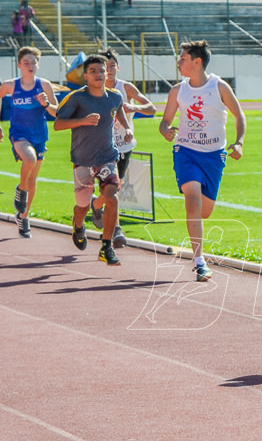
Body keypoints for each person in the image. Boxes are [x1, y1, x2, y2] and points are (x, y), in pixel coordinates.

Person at [158, 40, 247, 282]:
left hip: (214, 155)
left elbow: (239, 115)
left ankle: (198, 248)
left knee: (204, 212)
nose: (178, 62)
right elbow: (165, 120)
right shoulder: (178, 91)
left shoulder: (219, 87)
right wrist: (165, 130)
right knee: (192, 200)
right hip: (186, 151)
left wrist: (238, 142)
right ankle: (200, 261)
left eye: (183, 58)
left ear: (197, 62)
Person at [54, 54, 132, 265]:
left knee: (112, 196)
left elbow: (118, 111)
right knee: (82, 205)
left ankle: (106, 247)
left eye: (102, 70)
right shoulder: (77, 98)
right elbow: (58, 124)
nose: (98, 74)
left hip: (107, 157)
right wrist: (82, 121)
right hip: (82, 159)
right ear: (85, 76)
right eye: (93, 71)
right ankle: (78, 225)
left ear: (107, 73)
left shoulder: (115, 96)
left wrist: (128, 129)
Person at [0, 46, 59, 238]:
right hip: (19, 133)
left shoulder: (45, 85)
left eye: (33, 62)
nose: (30, 65)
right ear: (19, 65)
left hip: (39, 135)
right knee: (29, 158)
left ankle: (23, 215)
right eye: (26, 62)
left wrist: (46, 104)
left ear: (38, 64)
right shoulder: (10, 85)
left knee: (33, 179)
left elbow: (57, 112)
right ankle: (20, 189)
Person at [103, 48, 156, 248]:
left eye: (111, 66)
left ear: (117, 67)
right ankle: (116, 229)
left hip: (124, 145)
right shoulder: (94, 89)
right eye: (104, 66)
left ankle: (97, 205)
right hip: (102, 146)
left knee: (114, 187)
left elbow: (151, 107)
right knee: (113, 186)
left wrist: (135, 108)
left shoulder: (126, 88)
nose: (108, 70)